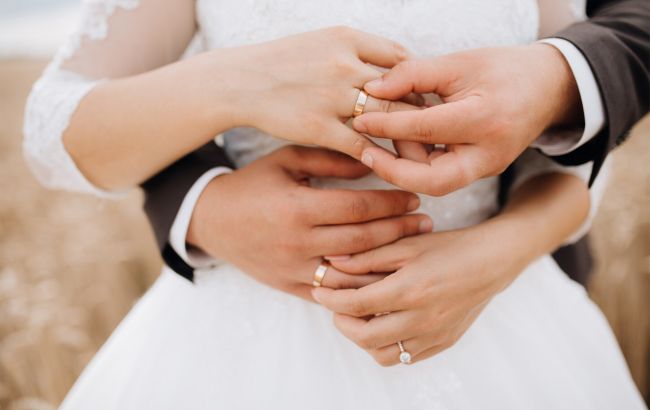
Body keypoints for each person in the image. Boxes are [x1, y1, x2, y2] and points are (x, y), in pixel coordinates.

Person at [22, 0, 646, 408]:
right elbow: (52, 127)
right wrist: (235, 83)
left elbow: (574, 144)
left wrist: (500, 251)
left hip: (501, 319)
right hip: (246, 341)